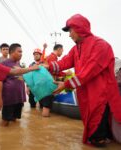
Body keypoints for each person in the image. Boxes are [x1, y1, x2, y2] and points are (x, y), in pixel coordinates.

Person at [44, 14, 121, 147]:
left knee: (97, 133)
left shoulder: (101, 45)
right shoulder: (76, 49)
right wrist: (48, 66)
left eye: (70, 30)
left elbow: (88, 72)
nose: (69, 35)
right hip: (85, 94)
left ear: (79, 28)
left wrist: (66, 84)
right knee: (92, 126)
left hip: (100, 94)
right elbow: (64, 62)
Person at [0, 43, 27, 126]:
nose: (21, 53)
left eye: (21, 51)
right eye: (19, 51)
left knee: (15, 120)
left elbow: (21, 77)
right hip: (9, 99)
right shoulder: (4, 64)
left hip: (19, 97)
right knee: (5, 122)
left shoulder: (18, 64)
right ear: (12, 52)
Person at [0, 43, 9, 112]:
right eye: (4, 49)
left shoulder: (10, 60)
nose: (5, 51)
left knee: (6, 99)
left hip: (8, 82)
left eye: (7, 49)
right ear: (1, 51)